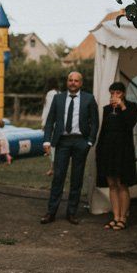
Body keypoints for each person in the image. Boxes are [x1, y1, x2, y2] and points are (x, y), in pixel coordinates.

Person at [41, 71, 99, 225]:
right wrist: (46, 141)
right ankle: (51, 212)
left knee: (77, 178)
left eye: (76, 81)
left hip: (81, 142)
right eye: (70, 80)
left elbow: (95, 122)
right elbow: (50, 121)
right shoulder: (58, 98)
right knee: (58, 177)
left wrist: (90, 142)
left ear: (81, 83)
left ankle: (71, 213)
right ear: (67, 82)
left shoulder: (89, 98)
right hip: (62, 142)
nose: (73, 83)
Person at [95, 82, 137, 230]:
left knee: (122, 184)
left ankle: (123, 217)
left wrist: (122, 106)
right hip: (108, 149)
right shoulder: (107, 109)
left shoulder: (131, 106)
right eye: (112, 93)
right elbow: (104, 131)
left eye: (117, 93)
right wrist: (99, 150)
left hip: (123, 150)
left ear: (123, 93)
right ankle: (115, 216)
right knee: (112, 184)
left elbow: (130, 124)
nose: (114, 96)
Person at [41, 77, 60, 176]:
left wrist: (45, 124)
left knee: (51, 146)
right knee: (56, 146)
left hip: (51, 124)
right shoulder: (59, 93)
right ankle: (54, 168)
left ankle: (53, 168)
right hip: (59, 123)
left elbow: (48, 110)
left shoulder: (50, 94)